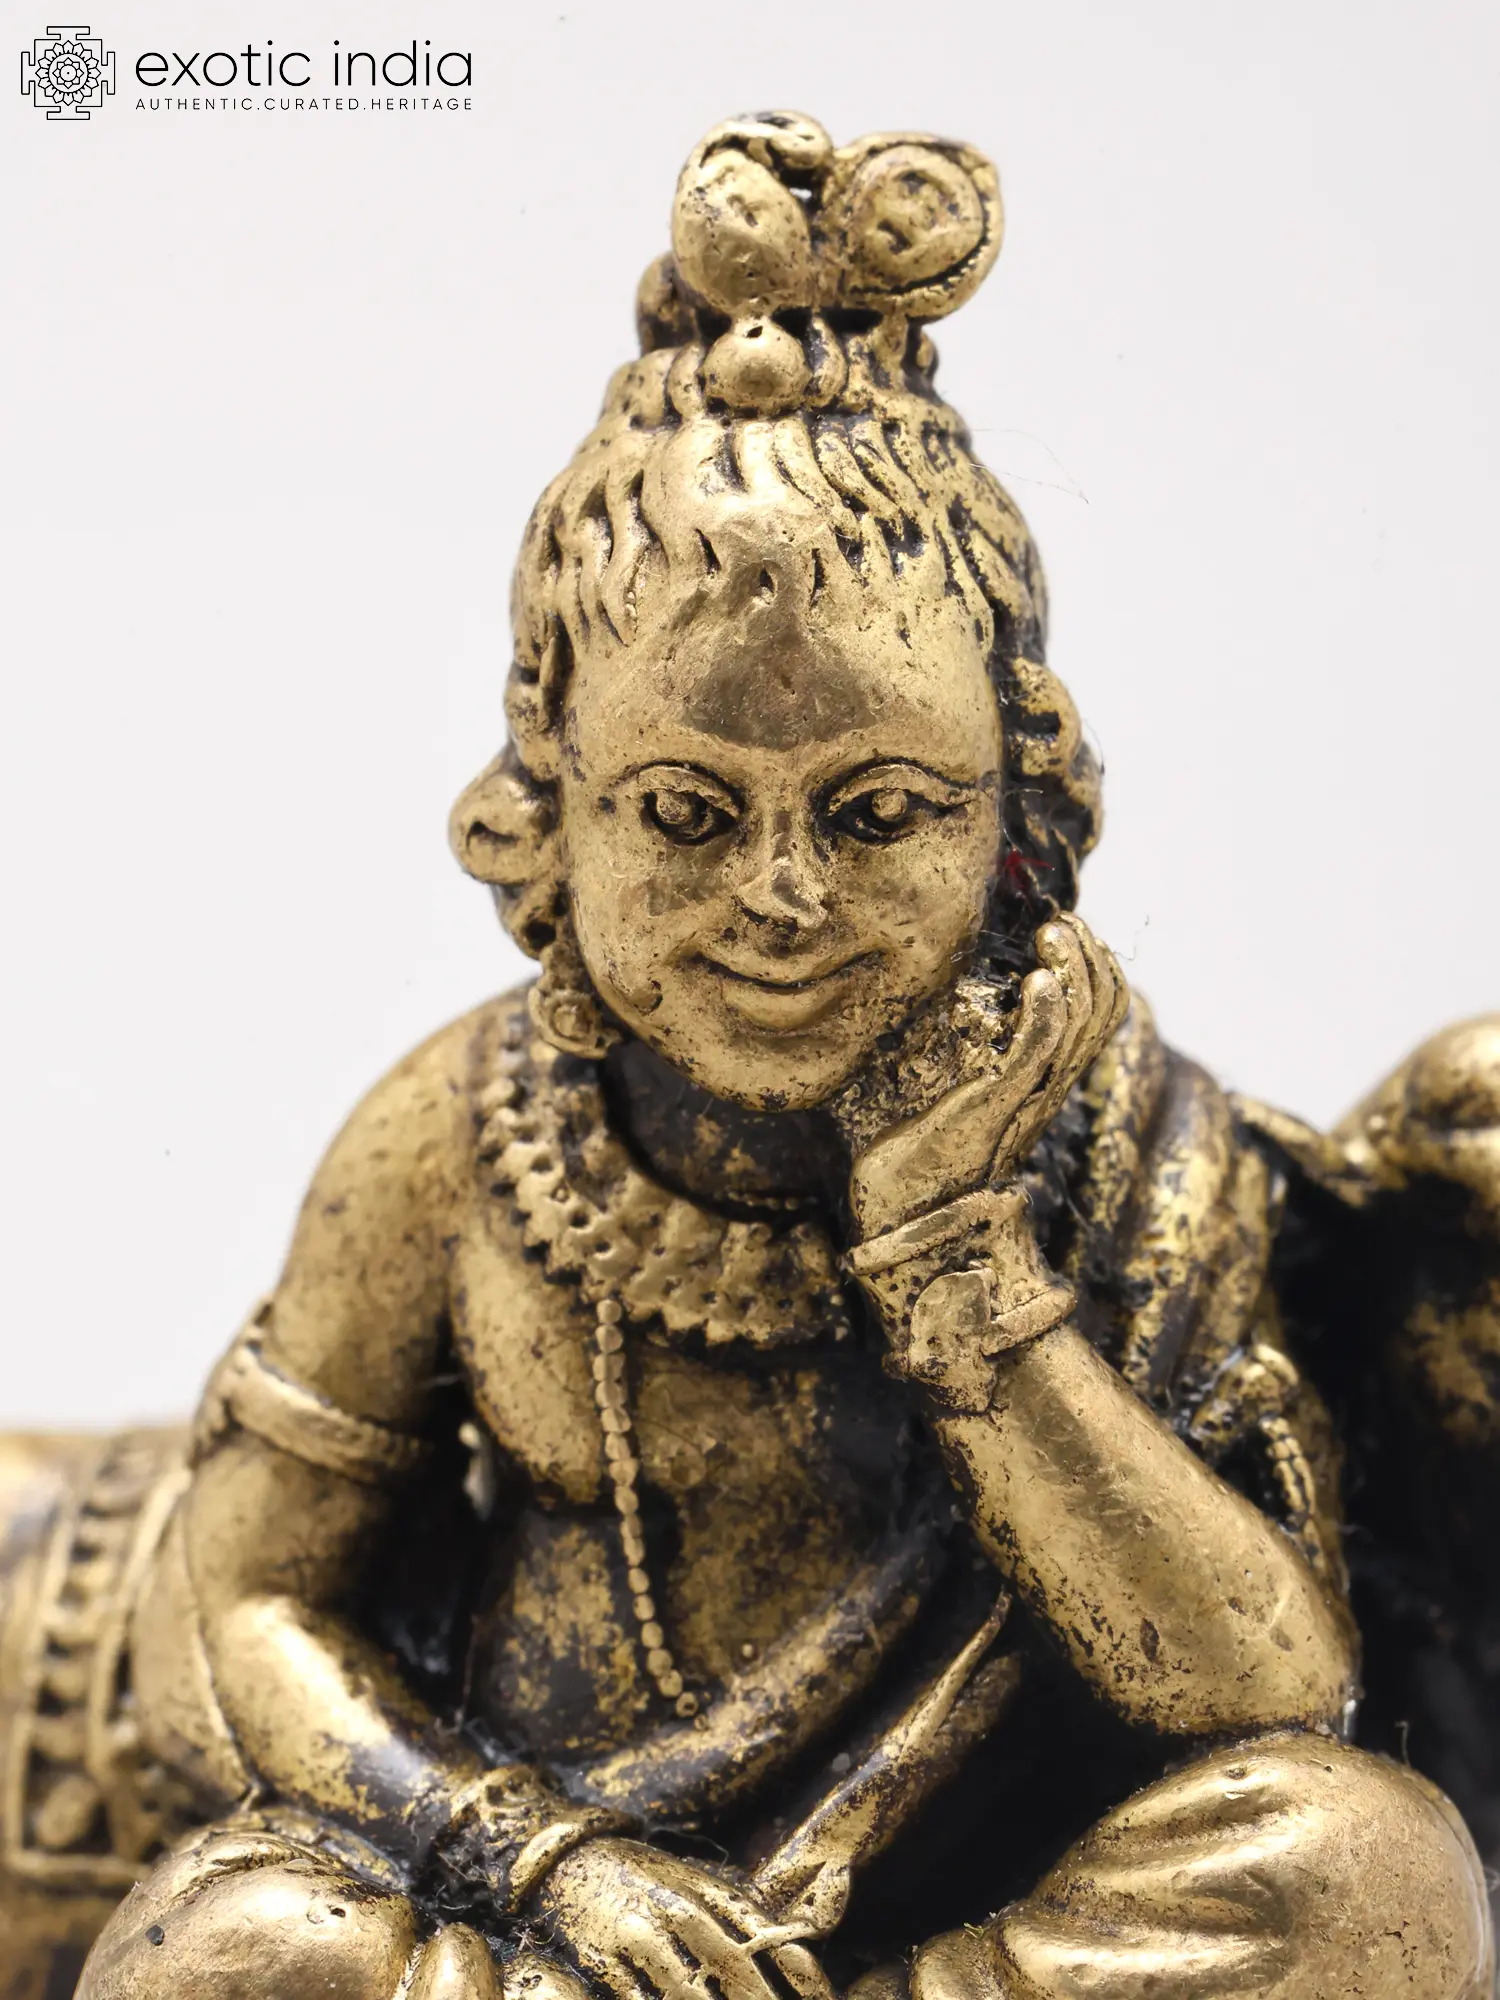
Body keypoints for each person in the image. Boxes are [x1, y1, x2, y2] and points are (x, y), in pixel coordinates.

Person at [4, 114, 1495, 2000]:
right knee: (235, 1947)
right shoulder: (463, 1140)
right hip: (572, 1933)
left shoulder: (1123, 1148)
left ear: (1021, 822)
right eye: (686, 814)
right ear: (543, 824)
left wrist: (959, 1268)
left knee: (1364, 1864)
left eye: (877, 816)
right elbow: (245, 1607)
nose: (782, 900)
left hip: (968, 1926)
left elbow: (1266, 1695)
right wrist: (539, 1861)